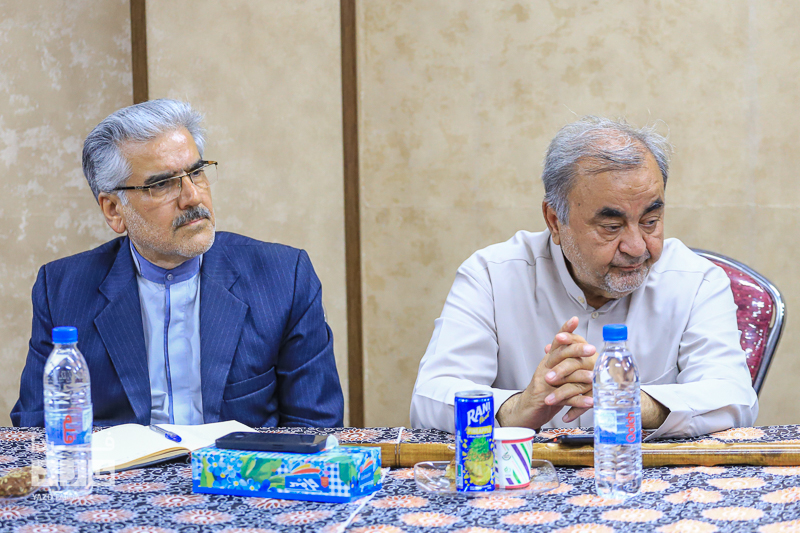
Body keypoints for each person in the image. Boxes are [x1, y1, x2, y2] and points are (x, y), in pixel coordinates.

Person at [410, 116, 758, 438]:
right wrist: (518, 407)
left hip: (638, 477)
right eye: (611, 226)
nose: (637, 247)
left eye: (650, 222)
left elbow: (735, 398)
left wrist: (626, 399)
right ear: (554, 221)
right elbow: (430, 398)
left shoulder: (696, 282)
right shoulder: (491, 276)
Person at [12, 99, 344, 428]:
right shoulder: (62, 291)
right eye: (162, 184)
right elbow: (36, 430)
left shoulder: (283, 277)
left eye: (196, 172)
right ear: (114, 210)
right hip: (120, 465)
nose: (192, 197)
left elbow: (314, 428)